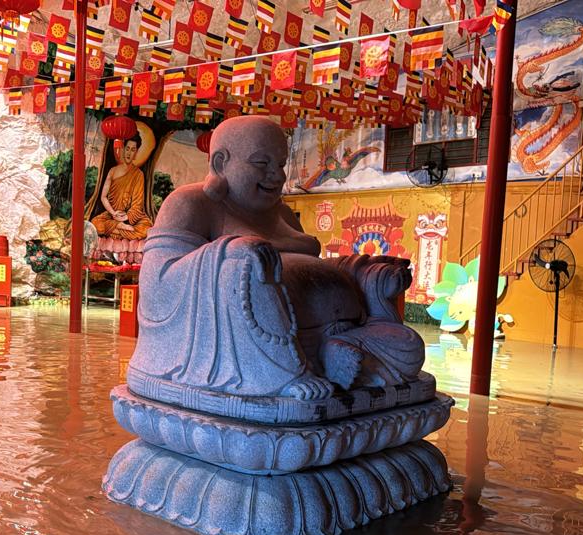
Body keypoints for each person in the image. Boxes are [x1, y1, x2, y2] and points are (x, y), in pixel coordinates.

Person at [128, 116, 425, 403]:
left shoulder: (281, 213)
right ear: (221, 163)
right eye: (262, 163)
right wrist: (230, 256)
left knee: (409, 349)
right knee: (244, 265)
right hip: (253, 348)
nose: (278, 175)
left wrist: (361, 269)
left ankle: (336, 353)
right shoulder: (191, 203)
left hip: (332, 329)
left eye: (281, 164)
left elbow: (306, 267)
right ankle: (286, 373)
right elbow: (159, 285)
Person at [90, 135, 152, 240]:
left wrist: (126, 217)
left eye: (133, 150)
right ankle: (119, 227)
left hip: (129, 217)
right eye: (127, 149)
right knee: (95, 223)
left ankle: (116, 228)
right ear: (123, 149)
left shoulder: (138, 174)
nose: (129, 153)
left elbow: (137, 205)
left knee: (147, 228)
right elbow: (103, 197)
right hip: (112, 215)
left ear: (136, 153)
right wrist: (113, 213)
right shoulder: (113, 171)